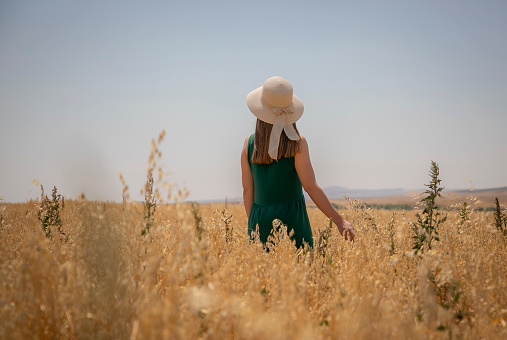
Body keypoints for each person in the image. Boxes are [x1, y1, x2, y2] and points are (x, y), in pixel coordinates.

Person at [241, 76, 355, 249]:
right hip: (292, 219)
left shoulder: (249, 144)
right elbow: (310, 186)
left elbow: (248, 190)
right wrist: (340, 221)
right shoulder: (297, 143)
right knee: (301, 271)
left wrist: (254, 227)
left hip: (259, 218)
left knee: (263, 274)